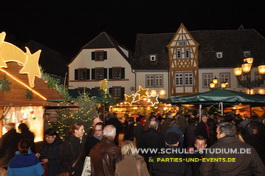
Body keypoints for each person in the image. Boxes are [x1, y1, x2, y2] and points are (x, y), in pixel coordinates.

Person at [200, 122, 265, 175]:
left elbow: (205, 171)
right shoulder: (249, 148)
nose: (216, 135)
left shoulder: (213, 149)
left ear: (222, 134)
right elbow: (260, 170)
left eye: (217, 133)